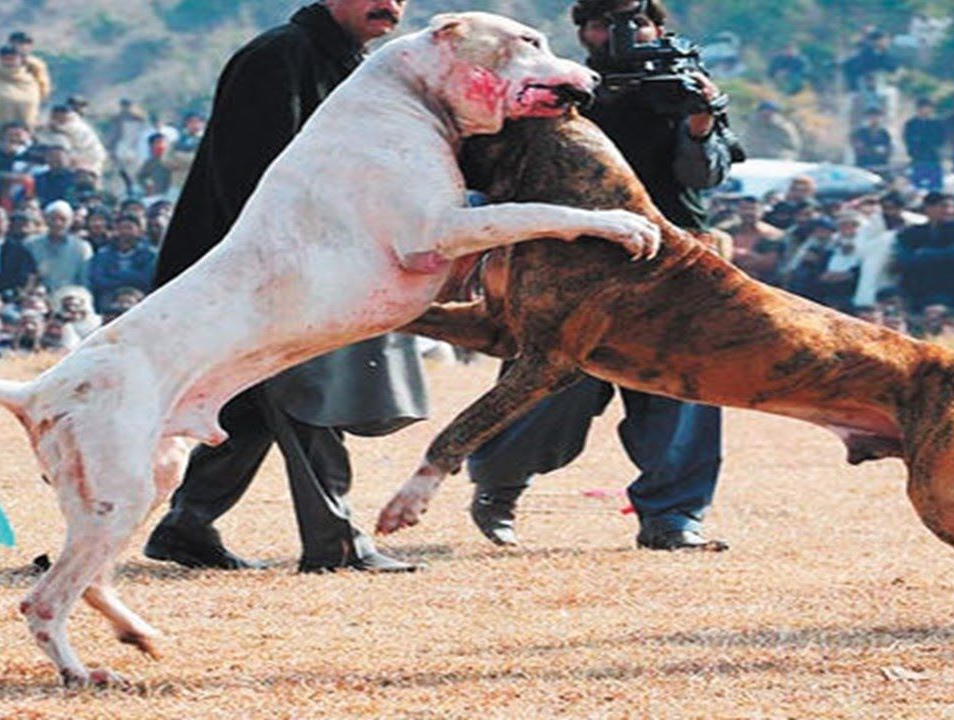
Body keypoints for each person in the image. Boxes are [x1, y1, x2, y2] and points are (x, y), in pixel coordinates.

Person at [144, 0, 426, 574]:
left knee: (253, 404)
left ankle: (188, 525)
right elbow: (253, 177)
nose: (390, 4)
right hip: (258, 270)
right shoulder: (278, 56)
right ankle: (338, 539)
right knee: (306, 393)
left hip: (302, 265)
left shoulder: (353, 64)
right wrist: (291, 265)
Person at [466, 0, 734, 551]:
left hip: (673, 257)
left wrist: (700, 121)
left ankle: (673, 518)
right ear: (582, 32)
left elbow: (701, 176)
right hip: (574, 256)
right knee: (553, 382)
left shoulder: (682, 85)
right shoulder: (556, 84)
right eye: (600, 22)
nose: (617, 35)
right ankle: (499, 483)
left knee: (683, 384)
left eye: (633, 22)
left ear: (658, 28)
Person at [903, 96, 946, 191]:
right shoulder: (911, 124)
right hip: (918, 159)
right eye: (922, 107)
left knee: (935, 188)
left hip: (934, 158)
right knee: (917, 188)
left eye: (928, 107)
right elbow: (909, 141)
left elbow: (941, 140)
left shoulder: (937, 123)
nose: (925, 110)